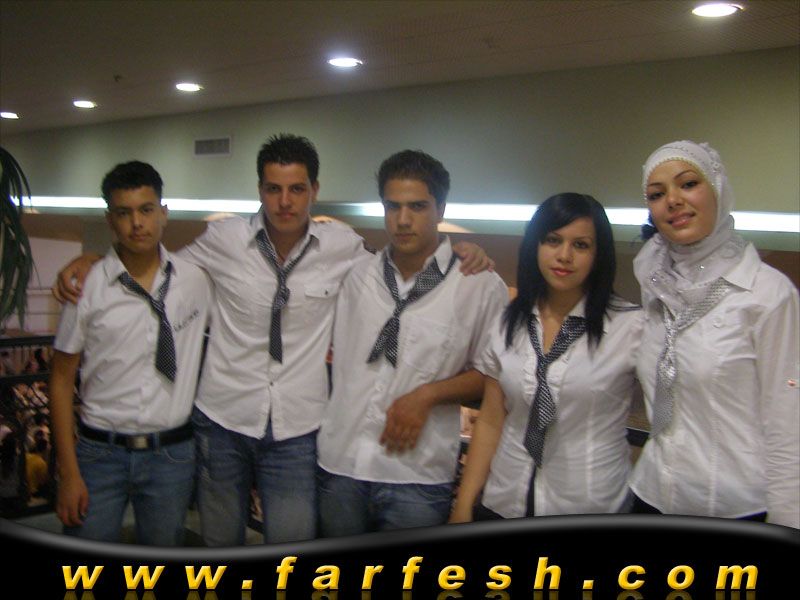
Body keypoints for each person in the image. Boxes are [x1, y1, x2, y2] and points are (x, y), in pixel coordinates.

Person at [54, 135, 491, 545]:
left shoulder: (344, 249)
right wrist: (94, 260)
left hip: (297, 429)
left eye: (297, 189)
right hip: (222, 420)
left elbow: (408, 264)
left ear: (314, 190)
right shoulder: (225, 240)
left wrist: (463, 251)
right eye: (273, 189)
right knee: (219, 544)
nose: (285, 202)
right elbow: (159, 268)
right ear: (260, 190)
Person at [316, 150, 508, 536]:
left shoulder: (479, 286)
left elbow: (494, 375)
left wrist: (427, 395)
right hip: (341, 464)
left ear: (441, 209)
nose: (403, 220)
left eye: (417, 206)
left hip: (416, 475)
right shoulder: (355, 275)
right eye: (393, 206)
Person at [630, 140, 799, 528]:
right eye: (657, 194)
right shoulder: (655, 282)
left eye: (688, 184)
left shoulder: (766, 293)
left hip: (735, 508)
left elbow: (789, 420)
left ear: (718, 189)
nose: (673, 200)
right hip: (651, 494)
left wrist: (789, 520)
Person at [449, 193, 642, 522]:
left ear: (598, 255)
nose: (564, 255)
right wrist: (464, 503)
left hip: (589, 505)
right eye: (553, 240)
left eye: (580, 245)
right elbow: (492, 419)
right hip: (505, 499)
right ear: (535, 246)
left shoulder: (631, 326)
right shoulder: (508, 321)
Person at [49, 161, 213, 544]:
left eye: (146, 210)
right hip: (99, 453)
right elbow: (59, 380)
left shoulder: (195, 281)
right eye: (124, 213)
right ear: (110, 220)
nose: (137, 223)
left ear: (163, 213)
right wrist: (68, 473)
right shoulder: (86, 287)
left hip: (171, 453)